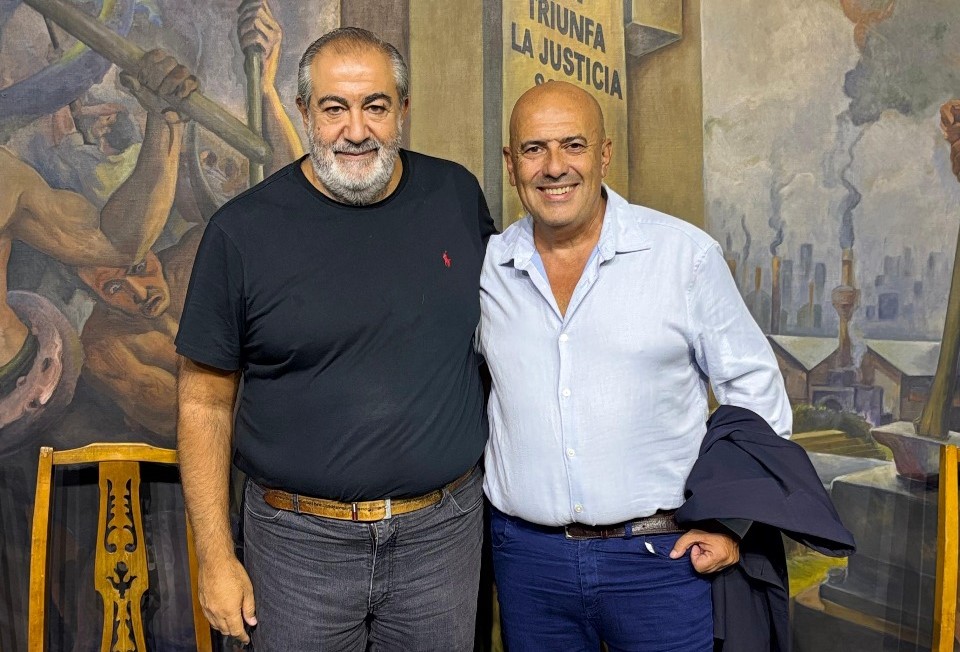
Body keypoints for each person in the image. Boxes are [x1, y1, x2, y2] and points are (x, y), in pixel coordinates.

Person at [175, 27, 495, 650]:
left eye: (375, 106)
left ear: (402, 109)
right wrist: (214, 557)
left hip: (442, 540)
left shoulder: (455, 195)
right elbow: (203, 402)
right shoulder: (241, 232)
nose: (356, 130)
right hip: (297, 549)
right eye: (333, 108)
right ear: (303, 112)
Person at [477, 80, 792, 651]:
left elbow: (756, 389)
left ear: (604, 154)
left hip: (661, 562)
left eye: (573, 145)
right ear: (510, 163)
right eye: (533, 149)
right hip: (528, 565)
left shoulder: (683, 257)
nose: (554, 167)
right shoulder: (490, 266)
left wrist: (733, 522)